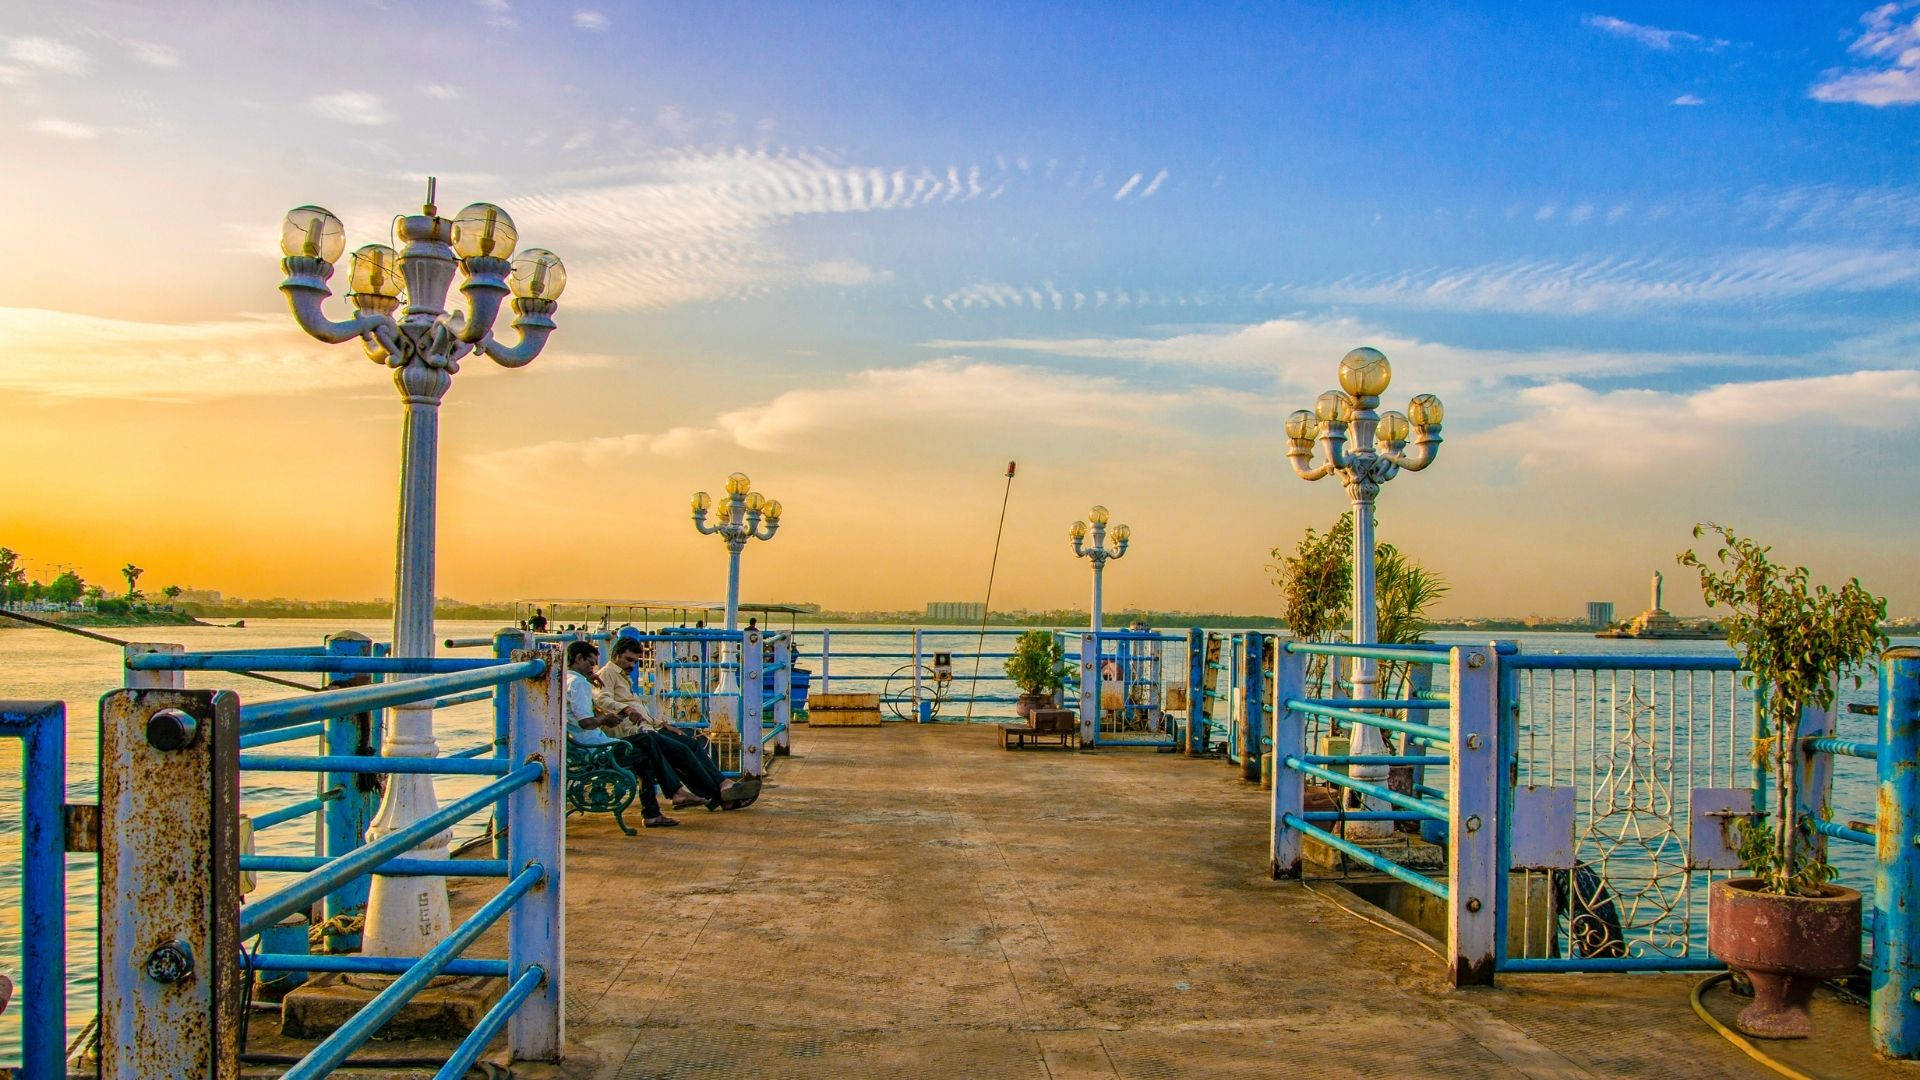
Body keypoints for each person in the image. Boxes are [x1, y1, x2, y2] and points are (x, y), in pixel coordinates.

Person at [597, 636, 740, 808]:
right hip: (634, 734)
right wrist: (626, 709)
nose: (632, 666)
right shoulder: (607, 674)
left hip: (650, 728)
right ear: (615, 655)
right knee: (682, 752)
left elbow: (639, 710)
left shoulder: (622, 677)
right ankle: (720, 793)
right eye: (628, 660)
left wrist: (662, 723)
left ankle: (721, 785)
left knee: (691, 743)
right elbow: (601, 699)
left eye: (635, 661)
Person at [563, 640, 676, 828]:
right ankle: (668, 796)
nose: (593, 668)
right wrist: (605, 720)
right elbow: (586, 722)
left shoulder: (567, 680)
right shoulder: (579, 684)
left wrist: (590, 678)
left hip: (583, 746)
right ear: (578, 658)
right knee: (647, 743)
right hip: (594, 750)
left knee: (646, 751)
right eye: (590, 663)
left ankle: (655, 811)